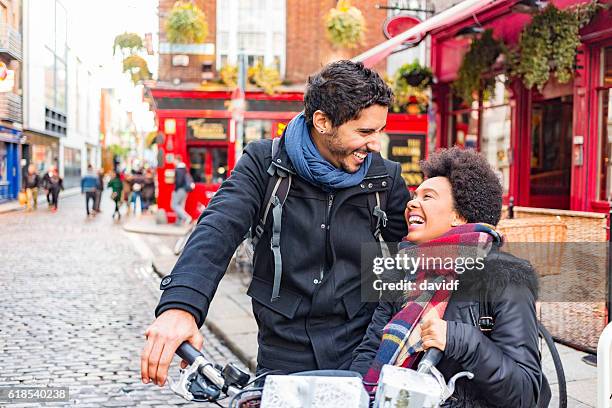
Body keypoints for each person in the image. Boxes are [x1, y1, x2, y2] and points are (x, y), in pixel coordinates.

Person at [141, 60, 411, 387]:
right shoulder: (264, 163)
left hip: (359, 346)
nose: (375, 144)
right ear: (323, 122)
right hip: (282, 352)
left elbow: (413, 252)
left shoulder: (384, 177)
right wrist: (181, 306)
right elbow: (218, 226)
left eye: (379, 130)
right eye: (365, 131)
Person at [350, 147, 544, 407]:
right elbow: (371, 348)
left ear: (459, 215)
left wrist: (457, 339)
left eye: (428, 197)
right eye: (414, 195)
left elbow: (525, 393)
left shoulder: (506, 277)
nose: (412, 203)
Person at [170, 156, 192, 225]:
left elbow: (178, 181)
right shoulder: (184, 169)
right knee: (180, 206)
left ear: (177, 160)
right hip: (185, 190)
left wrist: (175, 189)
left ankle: (186, 217)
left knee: (174, 205)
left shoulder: (178, 169)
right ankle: (179, 222)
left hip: (180, 189)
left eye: (174, 160)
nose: (173, 162)